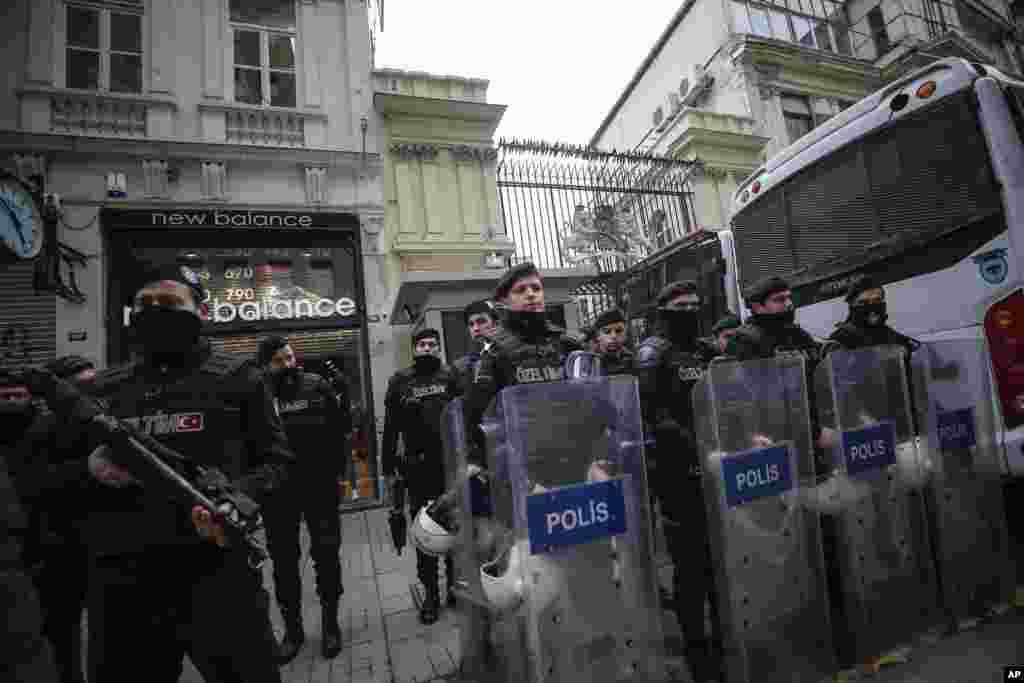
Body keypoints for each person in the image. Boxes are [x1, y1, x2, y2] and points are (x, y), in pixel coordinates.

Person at [84, 262, 292, 683]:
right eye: (145, 303)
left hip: (217, 574)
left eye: (169, 301)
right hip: (127, 583)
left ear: (201, 311)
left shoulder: (238, 377)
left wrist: (239, 497)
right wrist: (90, 467)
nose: (156, 310)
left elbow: (276, 459)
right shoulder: (104, 390)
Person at [633, 281, 722, 683]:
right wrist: (693, 445)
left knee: (719, 553)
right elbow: (652, 412)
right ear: (664, 308)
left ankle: (725, 631)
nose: (690, 309)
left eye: (694, 303)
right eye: (681, 304)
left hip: (716, 462)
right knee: (689, 564)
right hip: (677, 470)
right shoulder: (653, 352)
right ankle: (695, 646)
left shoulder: (705, 350)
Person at [257, 336, 349, 663]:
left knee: (326, 554)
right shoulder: (258, 395)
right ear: (267, 365)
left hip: (319, 486)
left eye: (290, 357)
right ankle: (293, 632)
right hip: (278, 493)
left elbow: (339, 431)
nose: (288, 365)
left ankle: (330, 626)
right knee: (283, 562)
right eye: (279, 360)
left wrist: (340, 474)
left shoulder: (317, 386)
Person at [9, 356, 97, 683]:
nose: (87, 393)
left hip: (104, 547)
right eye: (80, 386)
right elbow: (29, 483)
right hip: (57, 551)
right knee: (62, 635)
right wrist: (87, 472)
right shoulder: (35, 429)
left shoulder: (101, 421)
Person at [463, 262, 582, 462]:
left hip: (575, 458)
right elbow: (481, 424)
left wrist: (596, 460)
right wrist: (518, 478)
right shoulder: (493, 352)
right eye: (521, 290)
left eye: (536, 288)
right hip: (524, 467)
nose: (531, 294)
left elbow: (590, 404)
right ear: (504, 301)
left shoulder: (565, 344)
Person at [382, 328, 461, 625]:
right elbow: (390, 429)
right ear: (414, 349)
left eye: (433, 344)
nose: (428, 348)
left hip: (450, 466)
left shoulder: (450, 376)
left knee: (454, 527)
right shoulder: (400, 381)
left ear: (438, 348)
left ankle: (455, 586)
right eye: (422, 344)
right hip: (416, 470)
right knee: (424, 531)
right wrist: (387, 469)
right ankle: (430, 594)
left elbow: (463, 417)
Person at [0, 380, 60, 683]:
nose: (11, 402)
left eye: (17, 396)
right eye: (5, 396)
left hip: (46, 549)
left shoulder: (48, 431)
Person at [725, 277, 819, 361]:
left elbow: (818, 360)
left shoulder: (796, 333)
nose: (789, 303)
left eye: (789, 298)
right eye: (780, 300)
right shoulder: (743, 339)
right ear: (758, 307)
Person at [829, 278, 919, 356]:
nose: (872, 307)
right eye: (863, 302)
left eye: (877, 301)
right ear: (852, 305)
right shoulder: (840, 340)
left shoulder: (893, 336)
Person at [453, 300, 498, 395]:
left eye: (481, 321)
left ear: (495, 323)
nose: (476, 328)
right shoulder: (460, 367)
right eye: (471, 324)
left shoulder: (511, 354)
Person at [588, 308, 634, 376]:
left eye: (618, 331)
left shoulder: (632, 360)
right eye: (607, 332)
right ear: (598, 335)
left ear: (625, 333)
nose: (614, 336)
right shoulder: (588, 361)